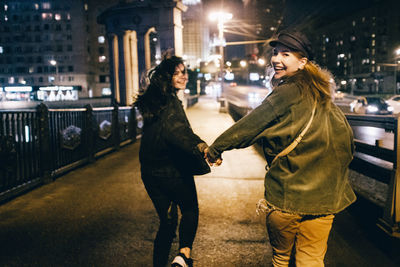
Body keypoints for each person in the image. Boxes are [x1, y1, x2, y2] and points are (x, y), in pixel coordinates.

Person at [205, 31, 356, 267]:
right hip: (325, 199)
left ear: (303, 61)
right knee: (312, 260)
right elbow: (347, 142)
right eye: (275, 53)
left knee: (281, 259)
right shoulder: (324, 96)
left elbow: (251, 125)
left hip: (288, 195)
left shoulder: (287, 91)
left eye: (286, 54)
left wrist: (216, 148)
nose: (277, 59)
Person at [136, 56, 209, 267]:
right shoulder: (171, 102)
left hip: (150, 173)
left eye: (184, 72)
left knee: (167, 223)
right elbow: (177, 131)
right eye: (177, 73)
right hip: (172, 171)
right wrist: (202, 147)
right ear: (167, 77)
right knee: (189, 209)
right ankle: (183, 256)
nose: (183, 76)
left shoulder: (155, 101)